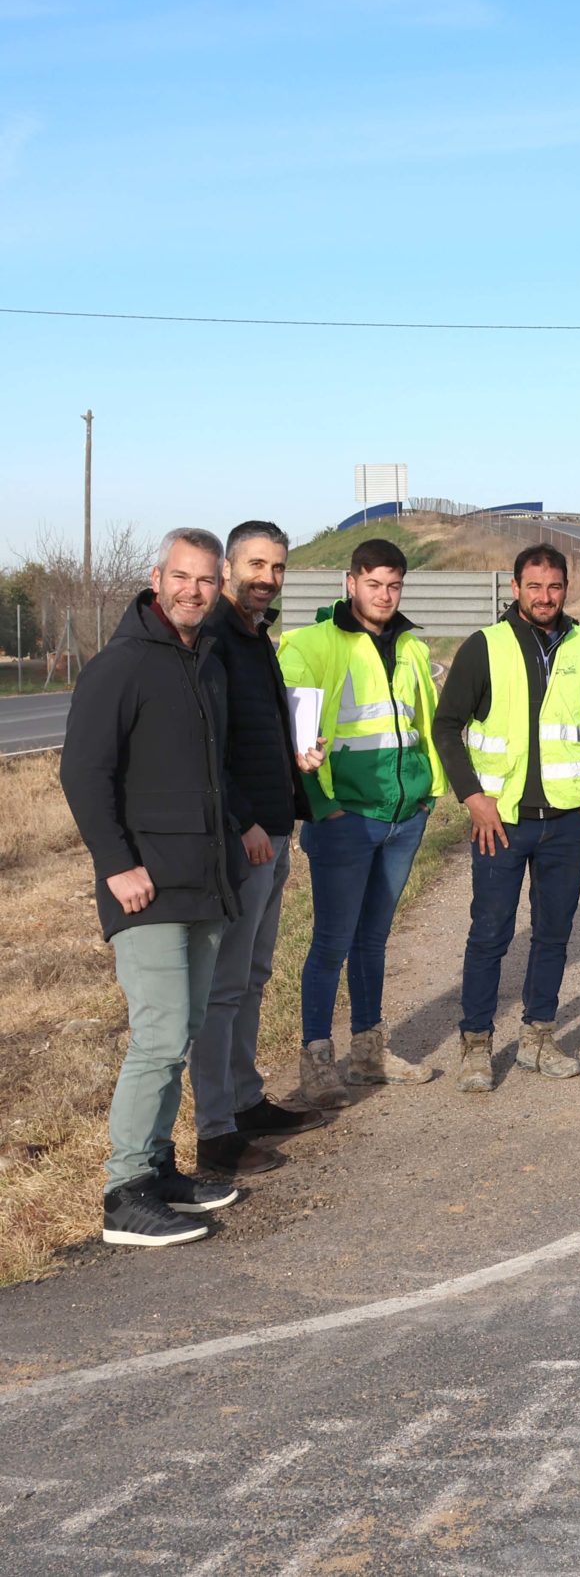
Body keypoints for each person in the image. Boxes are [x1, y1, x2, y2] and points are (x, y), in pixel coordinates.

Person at [59, 529, 245, 1247]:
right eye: (181, 577)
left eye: (205, 580)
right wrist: (116, 862)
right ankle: (123, 1189)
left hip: (202, 881)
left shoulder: (207, 663)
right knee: (160, 1033)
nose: (193, 590)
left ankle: (161, 1166)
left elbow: (208, 770)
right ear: (156, 577)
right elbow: (83, 772)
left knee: (184, 1031)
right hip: (145, 886)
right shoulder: (122, 665)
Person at [433, 543, 580, 1092]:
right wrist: (473, 797)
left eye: (555, 587)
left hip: (568, 820)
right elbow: (447, 726)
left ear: (567, 589)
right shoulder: (485, 647)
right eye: (534, 586)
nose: (545, 597)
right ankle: (476, 1044)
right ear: (515, 588)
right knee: (490, 932)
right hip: (500, 820)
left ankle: (538, 1037)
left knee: (554, 932)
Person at [279, 536, 445, 1105]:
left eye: (394, 585)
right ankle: (317, 1060)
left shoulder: (412, 647)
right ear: (351, 583)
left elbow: (422, 724)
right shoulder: (310, 645)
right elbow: (291, 735)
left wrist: (427, 794)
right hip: (344, 817)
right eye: (373, 584)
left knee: (372, 938)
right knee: (331, 940)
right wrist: (321, 806)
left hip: (404, 816)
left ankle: (369, 1053)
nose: (384, 594)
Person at [194, 520, 331, 1178]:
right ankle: (216, 1132)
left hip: (277, 831)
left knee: (252, 978)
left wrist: (295, 759)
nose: (267, 578)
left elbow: (255, 731)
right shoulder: (214, 638)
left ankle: (247, 1102)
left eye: (277, 567)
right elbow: (206, 747)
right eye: (256, 564)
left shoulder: (255, 638)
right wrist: (244, 819)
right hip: (242, 838)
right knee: (223, 989)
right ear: (228, 566)